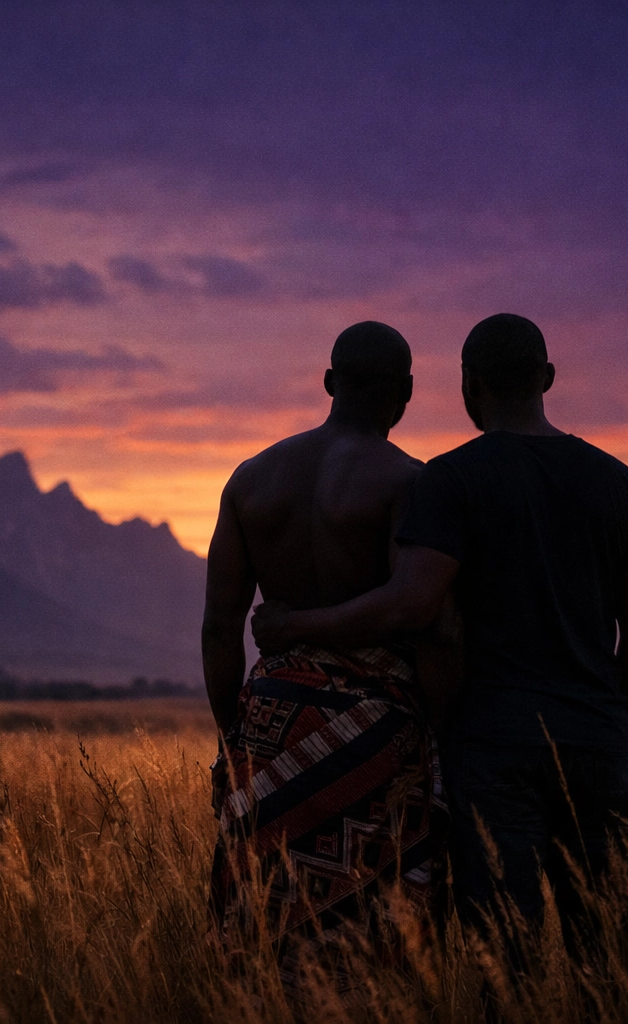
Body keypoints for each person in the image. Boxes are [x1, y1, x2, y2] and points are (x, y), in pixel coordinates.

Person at [253, 313, 628, 984]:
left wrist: (299, 624)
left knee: (505, 965)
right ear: (547, 378)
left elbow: (414, 605)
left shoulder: (451, 479)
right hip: (597, 744)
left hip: (493, 750)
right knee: (614, 963)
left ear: (469, 386)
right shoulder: (621, 483)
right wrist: (618, 733)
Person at [201, 321, 451, 993]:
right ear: (406, 393)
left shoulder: (250, 480)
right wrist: (441, 737)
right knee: (377, 941)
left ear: (329, 382)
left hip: (269, 725)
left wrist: (235, 742)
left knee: (265, 923)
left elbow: (221, 628)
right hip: (374, 728)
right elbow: (413, 612)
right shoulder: (408, 481)